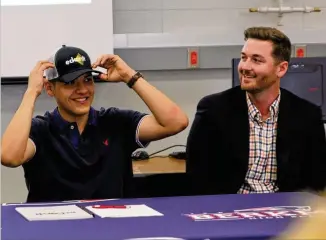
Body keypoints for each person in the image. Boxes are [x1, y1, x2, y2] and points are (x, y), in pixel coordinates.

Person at [1, 45, 188, 202]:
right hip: (54, 231)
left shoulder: (115, 121)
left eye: (88, 80)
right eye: (70, 83)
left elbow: (176, 122)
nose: (82, 90)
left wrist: (129, 76)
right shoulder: (40, 129)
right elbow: (9, 157)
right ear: (50, 88)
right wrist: (31, 92)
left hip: (110, 230)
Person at [186, 26, 326, 195]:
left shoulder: (306, 115)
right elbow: (196, 179)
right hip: (230, 209)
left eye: (256, 60)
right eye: (243, 58)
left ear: (281, 69)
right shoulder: (214, 110)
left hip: (285, 211)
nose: (245, 66)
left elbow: (316, 182)